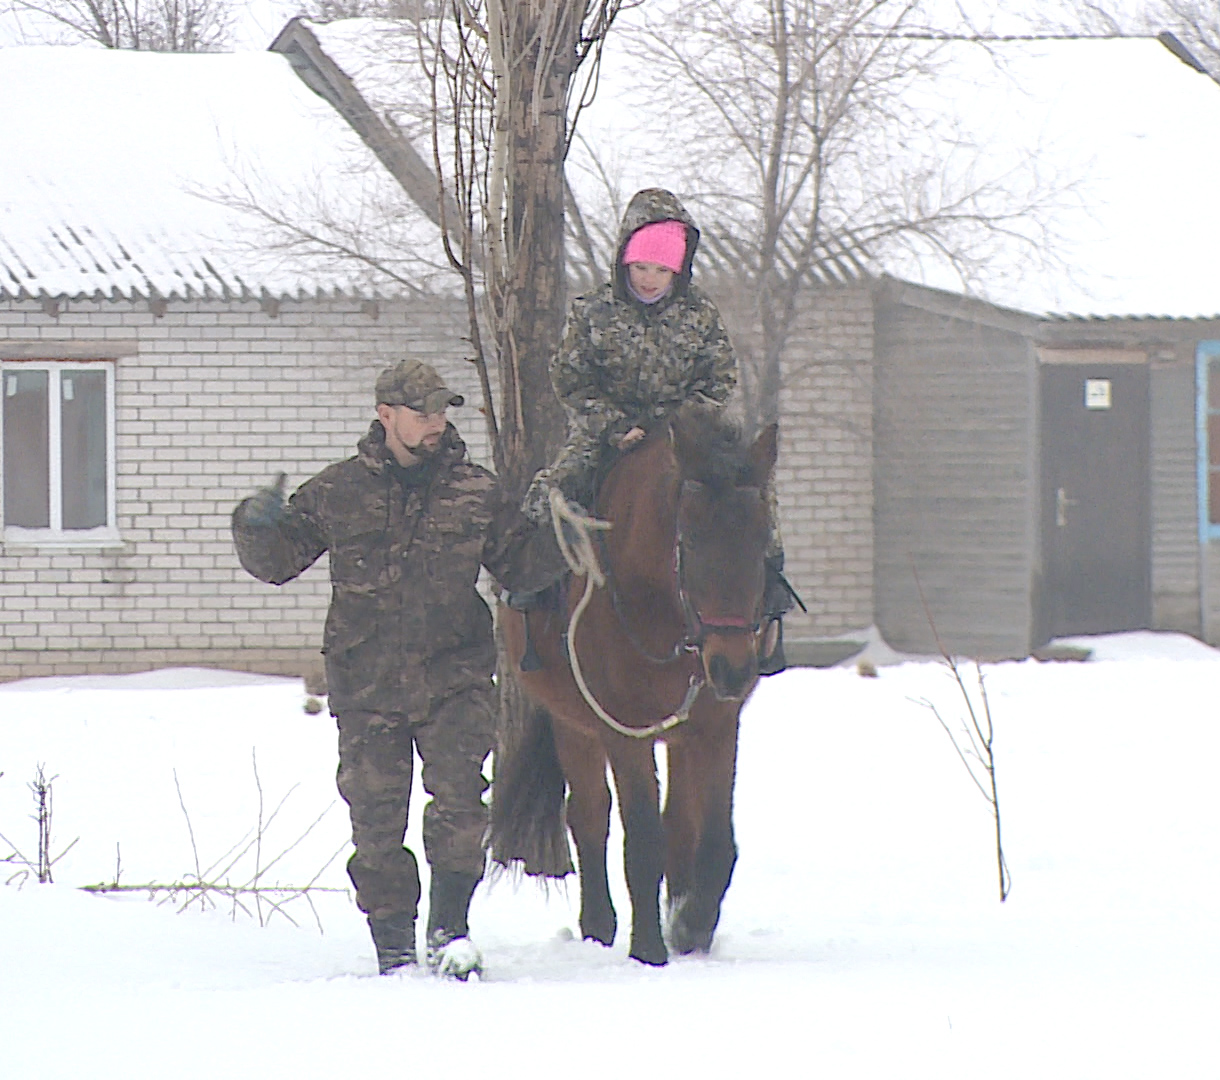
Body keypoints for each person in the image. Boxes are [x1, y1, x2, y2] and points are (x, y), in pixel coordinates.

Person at [230, 360, 548, 979]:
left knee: (460, 804)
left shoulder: (476, 492)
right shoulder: (338, 492)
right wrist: (253, 524)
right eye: (422, 411)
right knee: (375, 821)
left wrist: (554, 528)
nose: (435, 423)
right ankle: (393, 941)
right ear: (386, 415)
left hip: (454, 678)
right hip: (367, 683)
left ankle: (451, 931)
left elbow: (527, 569)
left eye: (441, 411)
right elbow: (276, 561)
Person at [517, 187, 802, 672]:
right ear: (624, 262)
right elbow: (570, 378)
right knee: (550, 494)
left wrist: (682, 426)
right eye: (641, 268)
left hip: (689, 439)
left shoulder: (700, 315)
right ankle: (533, 609)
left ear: (679, 269)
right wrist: (613, 426)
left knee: (751, 497)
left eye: (661, 270)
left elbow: (720, 379)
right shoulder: (593, 311)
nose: (650, 280)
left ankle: (771, 603)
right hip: (609, 434)